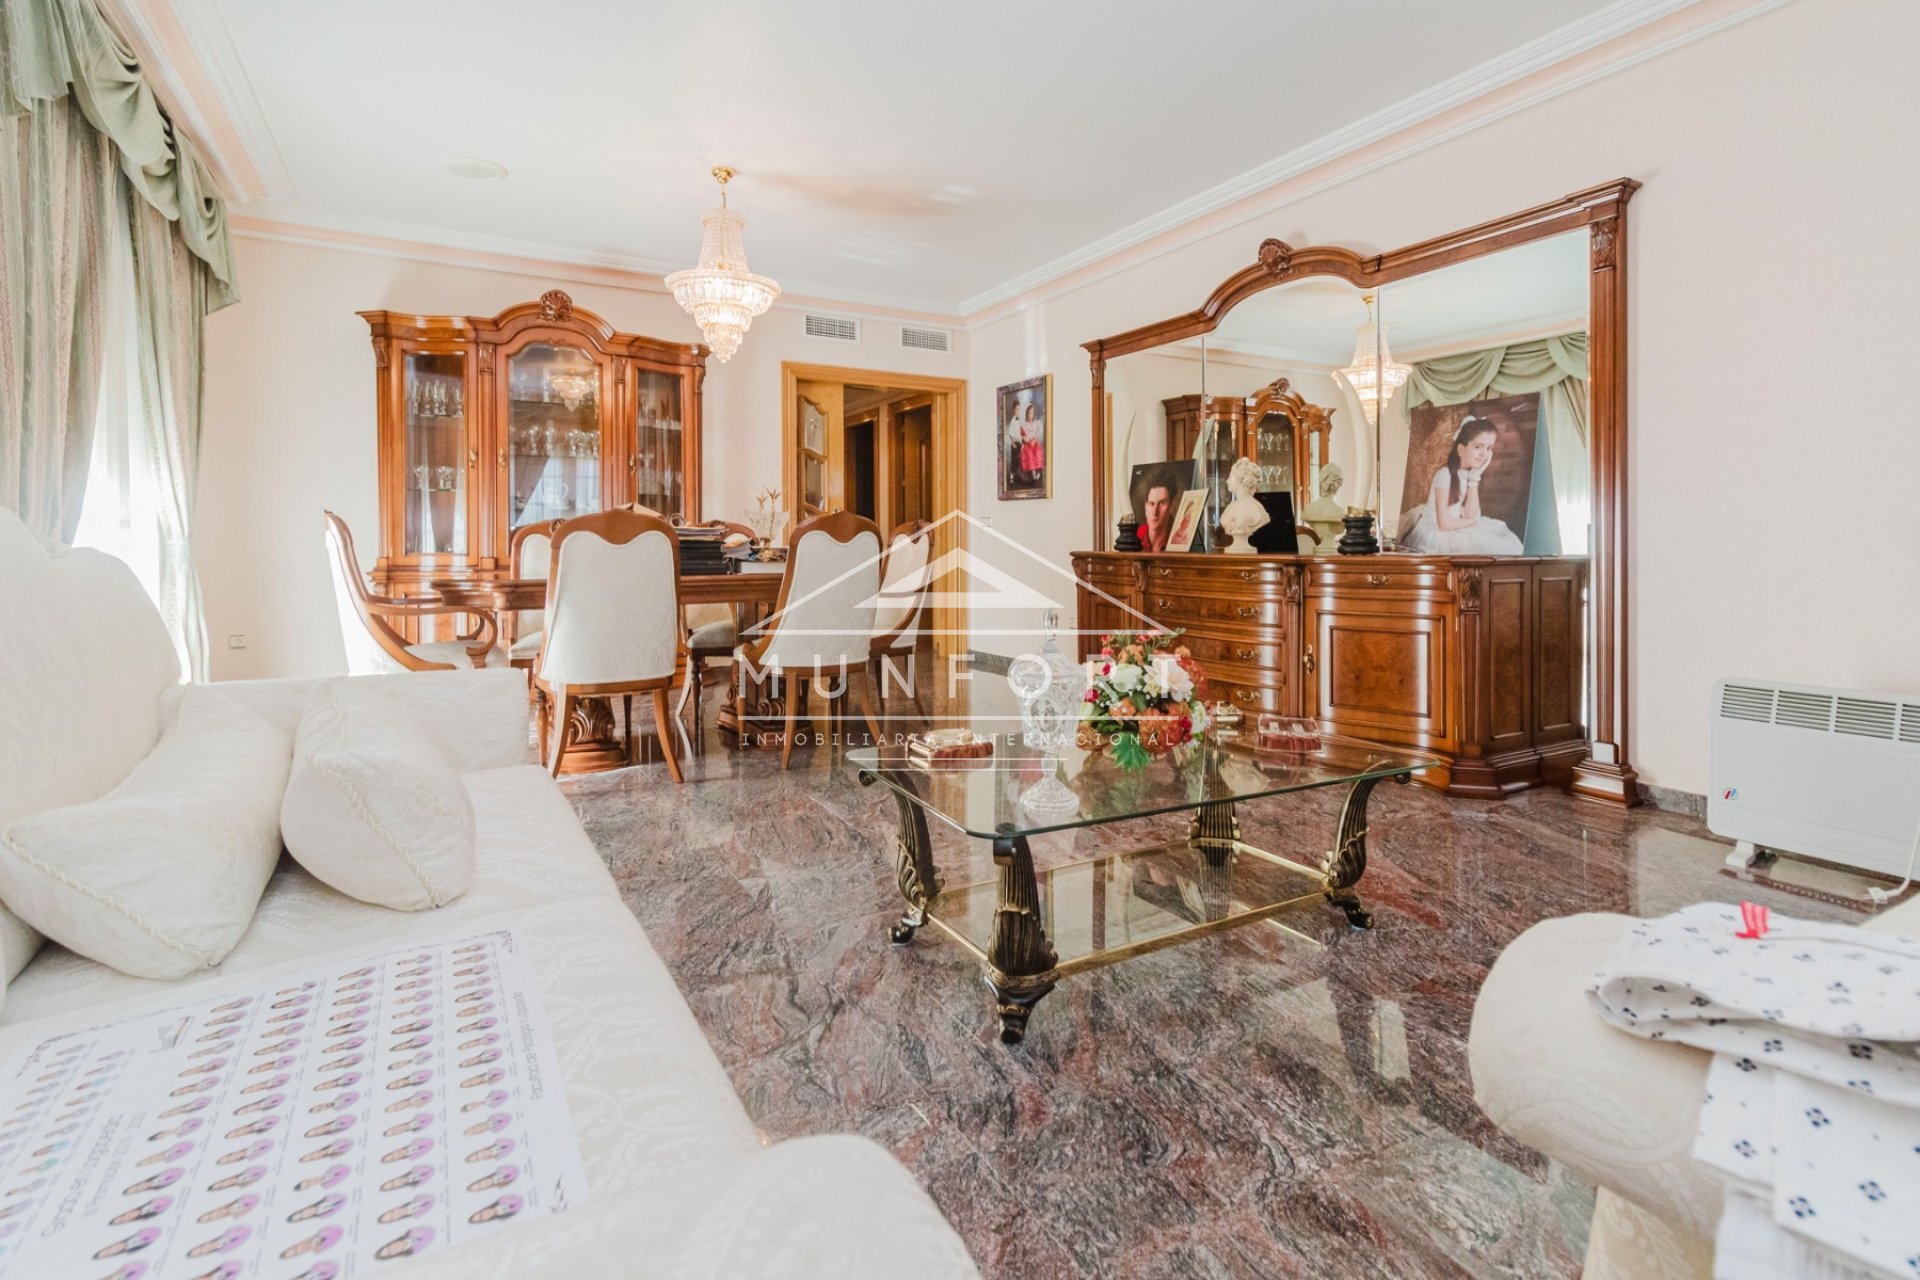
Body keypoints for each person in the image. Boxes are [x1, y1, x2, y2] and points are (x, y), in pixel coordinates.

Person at [1400, 417, 1525, 555]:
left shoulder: (1470, 474)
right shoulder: (1445, 475)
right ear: (1461, 450)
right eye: (1478, 447)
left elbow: (1471, 514)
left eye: (1489, 448)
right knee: (1485, 546)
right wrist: (1473, 522)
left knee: (1505, 539)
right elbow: (1444, 524)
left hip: (1457, 527)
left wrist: (1474, 479)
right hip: (1438, 534)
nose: (1484, 454)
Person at [1140, 481, 1175, 551]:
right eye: (1151, 503)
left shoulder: (1177, 541)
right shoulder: (1134, 537)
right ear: (1146, 508)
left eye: (1162, 503)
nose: (1155, 512)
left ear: (1171, 507)